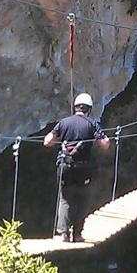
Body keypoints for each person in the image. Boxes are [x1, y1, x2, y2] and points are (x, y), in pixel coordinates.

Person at [43, 93, 110, 242]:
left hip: (65, 166)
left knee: (64, 199)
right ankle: (78, 234)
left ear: (75, 107)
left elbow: (47, 142)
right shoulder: (92, 124)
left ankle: (62, 234)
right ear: (89, 109)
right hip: (83, 169)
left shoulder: (63, 122)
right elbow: (105, 144)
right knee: (81, 200)